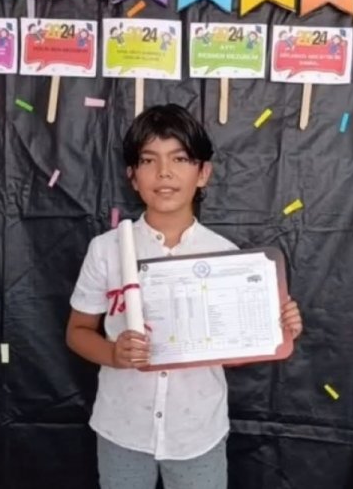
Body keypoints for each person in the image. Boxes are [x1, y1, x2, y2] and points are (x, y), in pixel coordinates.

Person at [65, 104, 304, 489]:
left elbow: (235, 349)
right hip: (122, 426)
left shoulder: (226, 257)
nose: (164, 172)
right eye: (148, 160)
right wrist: (113, 354)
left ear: (203, 172)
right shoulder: (107, 249)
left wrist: (276, 328)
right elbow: (77, 331)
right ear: (132, 176)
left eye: (179, 158)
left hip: (197, 431)